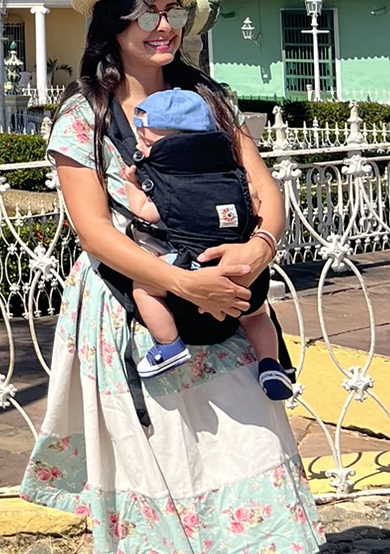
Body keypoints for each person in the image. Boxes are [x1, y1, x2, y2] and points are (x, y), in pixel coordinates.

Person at [21, 0, 324, 554]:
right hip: (134, 324)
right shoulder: (82, 119)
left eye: (173, 8)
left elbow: (263, 187)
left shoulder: (209, 99)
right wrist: (187, 282)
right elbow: (95, 230)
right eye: (146, 10)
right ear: (112, 23)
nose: (164, 24)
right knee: (147, 503)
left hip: (225, 308)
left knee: (259, 478)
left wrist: (258, 251)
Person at [119, 87, 296, 399]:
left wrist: (133, 185)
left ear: (173, 146)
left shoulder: (168, 185)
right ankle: (271, 363)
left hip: (191, 269)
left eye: (146, 142)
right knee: (257, 315)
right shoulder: (234, 174)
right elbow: (255, 203)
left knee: (143, 287)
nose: (138, 147)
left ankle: (169, 345)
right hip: (245, 275)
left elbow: (144, 211)